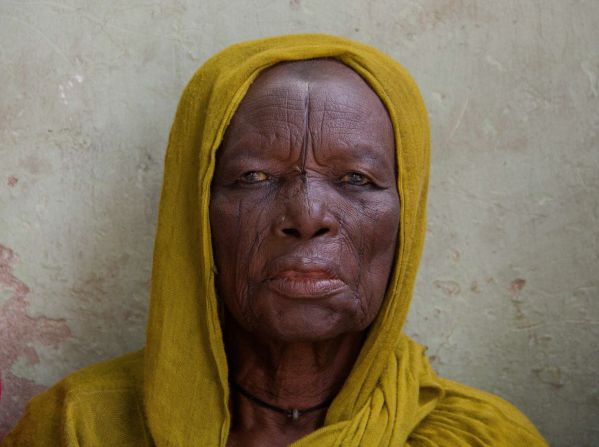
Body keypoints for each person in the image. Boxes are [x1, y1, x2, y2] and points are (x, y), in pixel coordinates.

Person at [2, 34, 547, 446]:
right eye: (254, 177)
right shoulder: (79, 428)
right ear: (193, 215)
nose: (307, 216)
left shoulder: (480, 436)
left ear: (408, 216)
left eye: (356, 179)